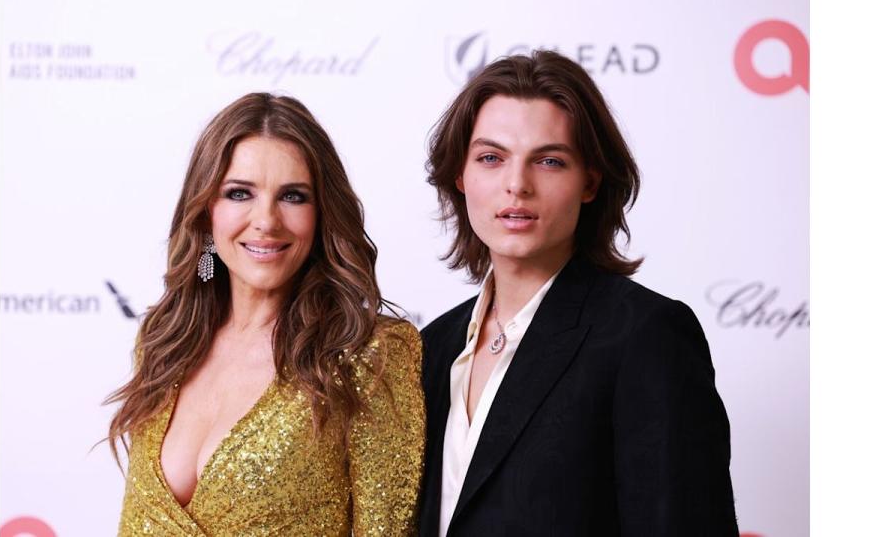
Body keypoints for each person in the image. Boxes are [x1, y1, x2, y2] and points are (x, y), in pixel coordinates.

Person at [418, 51, 738, 536]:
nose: (516, 185)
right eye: (491, 158)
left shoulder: (646, 337)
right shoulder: (432, 346)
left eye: (549, 161)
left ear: (589, 181)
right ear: (460, 177)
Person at [106, 92, 425, 536]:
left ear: (321, 218)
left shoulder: (366, 354)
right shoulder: (164, 342)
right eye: (240, 193)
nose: (266, 220)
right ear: (206, 213)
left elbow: (386, 529)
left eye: (292, 196)